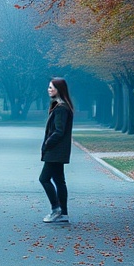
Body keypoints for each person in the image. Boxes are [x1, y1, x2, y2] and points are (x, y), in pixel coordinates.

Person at [40, 77, 74, 224]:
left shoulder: (61, 108)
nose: (49, 90)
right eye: (48, 87)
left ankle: (56, 209)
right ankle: (64, 214)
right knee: (59, 181)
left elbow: (59, 131)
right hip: (58, 151)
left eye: (51, 87)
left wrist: (48, 143)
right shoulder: (60, 106)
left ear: (59, 89)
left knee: (44, 179)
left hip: (55, 151)